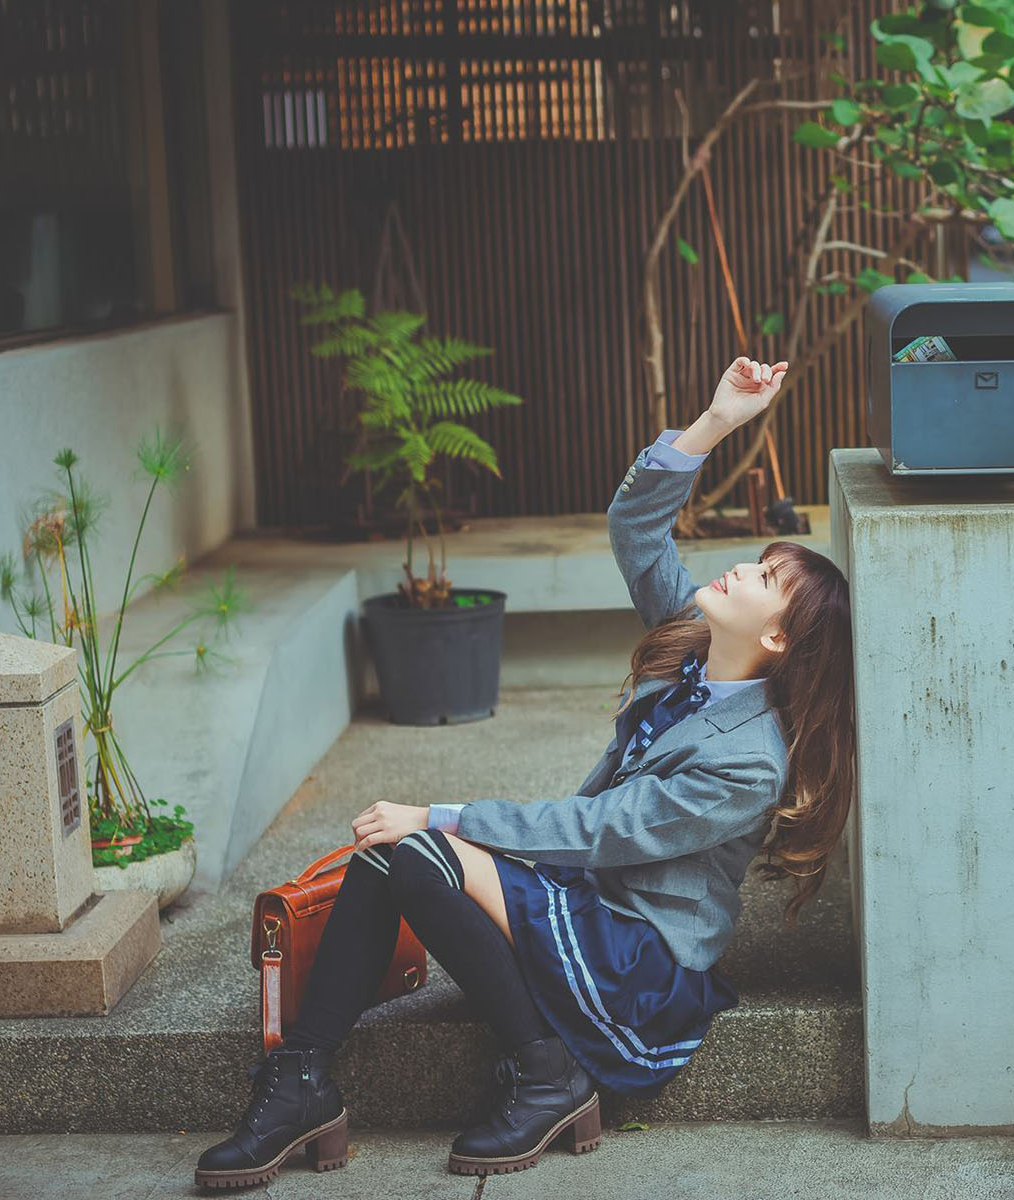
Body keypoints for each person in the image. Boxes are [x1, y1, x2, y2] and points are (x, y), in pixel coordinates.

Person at [194, 357, 856, 1186]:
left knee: (419, 848)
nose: (741, 568)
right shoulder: (692, 642)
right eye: (759, 559)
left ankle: (550, 1073)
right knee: (386, 852)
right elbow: (636, 528)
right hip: (591, 900)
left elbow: (603, 831)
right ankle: (299, 1085)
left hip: (638, 954)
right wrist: (718, 420)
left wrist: (441, 813)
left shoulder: (748, 762)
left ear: (779, 642)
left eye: (764, 578)